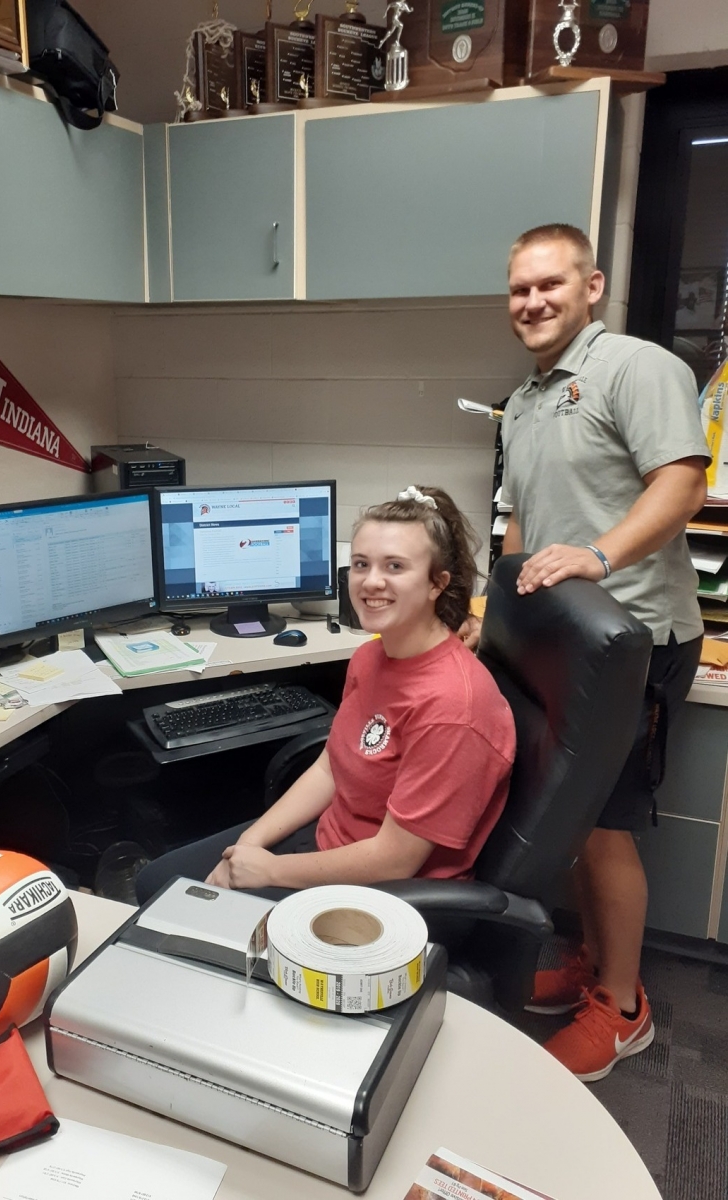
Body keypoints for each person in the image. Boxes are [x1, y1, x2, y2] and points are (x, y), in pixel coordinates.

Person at [499, 223, 710, 1083]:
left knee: (607, 824)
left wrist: (599, 555)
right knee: (576, 822)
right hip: (561, 643)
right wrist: (495, 603)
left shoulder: (636, 366)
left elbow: (684, 480)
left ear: (593, 286)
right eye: (519, 289)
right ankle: (592, 961)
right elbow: (520, 519)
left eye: (550, 284)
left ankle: (623, 1011)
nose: (533, 301)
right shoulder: (525, 398)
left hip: (633, 639)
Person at [134, 485, 515, 905]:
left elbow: (394, 861)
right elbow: (329, 769)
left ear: (435, 584)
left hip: (391, 897)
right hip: (327, 845)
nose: (372, 581)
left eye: (395, 566)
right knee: (158, 882)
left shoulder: (453, 707)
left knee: (175, 912)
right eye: (360, 564)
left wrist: (270, 870)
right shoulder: (372, 656)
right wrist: (248, 845)